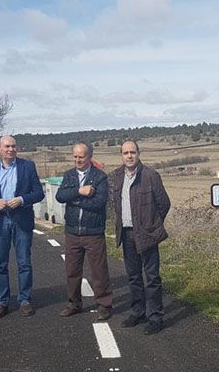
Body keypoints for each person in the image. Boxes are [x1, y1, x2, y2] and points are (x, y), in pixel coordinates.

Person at [0, 135, 45, 318]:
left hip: (21, 219)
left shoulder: (27, 167)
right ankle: (2, 302)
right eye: (6, 146)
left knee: (24, 262)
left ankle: (25, 300)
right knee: (0, 264)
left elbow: (38, 193)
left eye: (13, 146)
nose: (10, 149)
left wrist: (22, 200)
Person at [112, 140, 171, 335]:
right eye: (125, 152)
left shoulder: (150, 175)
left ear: (138, 154)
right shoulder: (117, 176)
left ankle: (155, 317)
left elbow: (164, 204)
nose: (129, 156)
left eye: (132, 152)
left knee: (151, 278)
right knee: (133, 276)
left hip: (147, 234)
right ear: (121, 155)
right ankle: (138, 312)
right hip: (127, 233)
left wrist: (152, 225)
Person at [55, 142, 112, 320]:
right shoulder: (69, 175)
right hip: (72, 232)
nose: (78, 160)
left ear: (89, 157)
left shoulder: (100, 177)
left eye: (81, 156)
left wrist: (74, 199)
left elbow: (99, 203)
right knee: (72, 271)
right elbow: (60, 196)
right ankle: (74, 303)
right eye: (75, 156)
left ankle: (104, 305)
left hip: (93, 232)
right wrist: (80, 191)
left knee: (99, 271)